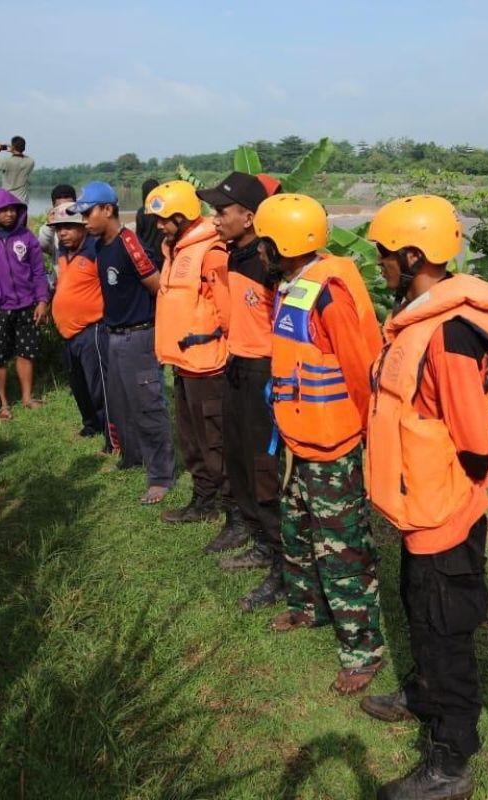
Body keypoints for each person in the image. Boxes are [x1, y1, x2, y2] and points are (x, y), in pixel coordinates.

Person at [361, 194, 488, 799]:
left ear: (411, 255)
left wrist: (453, 493)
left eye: (383, 255)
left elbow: (473, 438)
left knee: (444, 629)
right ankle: (424, 694)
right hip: (420, 508)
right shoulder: (422, 317)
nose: (379, 264)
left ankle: (450, 762)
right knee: (419, 610)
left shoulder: (452, 335)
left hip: (445, 512)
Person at [254, 193, 387, 694]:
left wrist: (369, 436)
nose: (258, 250)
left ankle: (362, 650)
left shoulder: (329, 295)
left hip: (332, 446)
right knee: (297, 533)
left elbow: (360, 370)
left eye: (264, 242)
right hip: (295, 438)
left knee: (343, 549)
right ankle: (305, 607)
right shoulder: (293, 286)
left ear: (279, 244)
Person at [195, 172, 284, 609]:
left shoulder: (269, 262)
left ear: (249, 217)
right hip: (237, 364)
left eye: (222, 211)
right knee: (238, 457)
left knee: (263, 465)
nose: (215, 219)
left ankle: (279, 556)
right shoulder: (234, 256)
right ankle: (254, 532)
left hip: (263, 372)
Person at [72, 181, 174, 505]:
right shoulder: (101, 244)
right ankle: (132, 457)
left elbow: (158, 287)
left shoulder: (130, 244)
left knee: (148, 406)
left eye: (88, 213)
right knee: (121, 404)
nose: (84, 220)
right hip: (113, 335)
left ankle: (161, 477)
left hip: (138, 335)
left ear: (107, 210)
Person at [143, 180, 234, 528]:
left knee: (214, 441)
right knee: (192, 440)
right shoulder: (177, 248)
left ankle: (231, 509)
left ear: (183, 216)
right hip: (184, 364)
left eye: (165, 219)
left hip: (209, 366)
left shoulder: (210, 252)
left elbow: (227, 312)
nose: (160, 226)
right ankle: (203, 498)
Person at [0, 189, 49, 418]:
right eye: (3, 210)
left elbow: (39, 272)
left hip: (27, 304)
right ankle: (3, 403)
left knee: (26, 352)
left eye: (13, 209)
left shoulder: (26, 237)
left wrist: (42, 300)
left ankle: (26, 396)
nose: (10, 214)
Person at [48, 201, 111, 449]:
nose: (63, 233)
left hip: (91, 329)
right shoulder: (63, 253)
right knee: (78, 384)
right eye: (58, 228)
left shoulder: (96, 249)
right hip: (67, 332)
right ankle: (91, 424)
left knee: (99, 386)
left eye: (68, 227)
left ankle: (111, 435)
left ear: (83, 227)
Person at [37, 184, 77, 281]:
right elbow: (42, 245)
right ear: (54, 207)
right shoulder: (51, 229)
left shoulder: (84, 225)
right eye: (60, 208)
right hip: (60, 283)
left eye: (68, 208)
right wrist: (50, 226)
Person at [0, 136, 35, 204]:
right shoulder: (30, 162)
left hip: (8, 198)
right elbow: (22, 155)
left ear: (13, 147)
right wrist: (14, 150)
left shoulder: (6, 161)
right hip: (23, 200)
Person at [135, 177, 164, 265]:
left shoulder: (142, 212)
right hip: (162, 254)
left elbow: (138, 236)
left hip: (147, 255)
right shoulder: (163, 209)